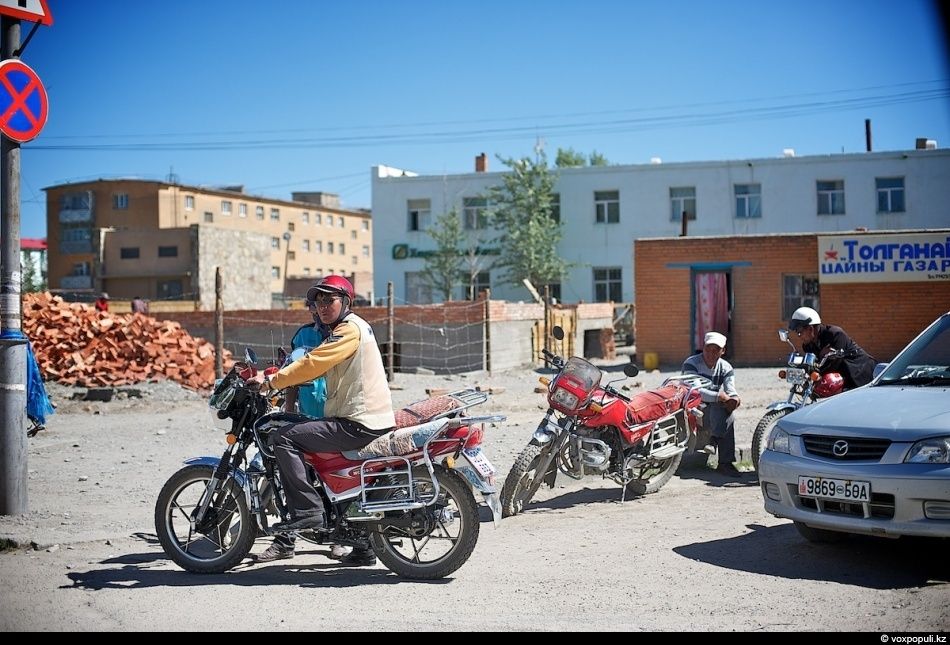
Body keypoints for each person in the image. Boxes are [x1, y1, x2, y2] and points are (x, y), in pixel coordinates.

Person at [247, 275, 395, 567]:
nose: (323, 305)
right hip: (358, 417)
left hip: (358, 421)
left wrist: (270, 382)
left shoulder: (348, 330)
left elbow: (314, 362)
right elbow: (309, 366)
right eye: (318, 300)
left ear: (346, 302)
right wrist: (276, 379)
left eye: (330, 299)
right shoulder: (342, 329)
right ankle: (342, 530)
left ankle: (307, 512)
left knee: (283, 438)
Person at [682, 331, 743, 477]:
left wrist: (734, 399)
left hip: (711, 410)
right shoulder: (691, 363)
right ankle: (718, 451)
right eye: (708, 349)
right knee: (720, 406)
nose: (710, 353)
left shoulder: (726, 367)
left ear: (723, 351)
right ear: (703, 348)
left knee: (728, 412)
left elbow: (730, 389)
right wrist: (719, 396)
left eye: (716, 350)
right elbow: (695, 392)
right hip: (691, 408)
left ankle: (721, 455)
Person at [788, 306, 876, 389]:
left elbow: (833, 364)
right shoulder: (808, 346)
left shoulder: (835, 334)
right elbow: (814, 367)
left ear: (810, 329)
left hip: (862, 372)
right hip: (842, 377)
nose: (799, 336)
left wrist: (822, 360)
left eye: (799, 332)